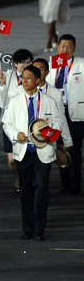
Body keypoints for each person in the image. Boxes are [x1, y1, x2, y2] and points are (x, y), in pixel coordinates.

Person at [3, 65, 72, 241]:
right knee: (26, 189)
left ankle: (40, 228)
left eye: (28, 77)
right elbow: (7, 124)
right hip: (23, 150)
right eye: (23, 77)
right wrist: (14, 134)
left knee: (41, 187)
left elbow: (58, 124)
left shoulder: (49, 101)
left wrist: (46, 133)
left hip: (44, 150)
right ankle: (28, 228)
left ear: (37, 80)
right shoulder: (15, 100)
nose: (24, 81)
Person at [0, 49, 33, 195]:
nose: (26, 64)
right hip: (12, 123)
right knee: (12, 160)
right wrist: (3, 85)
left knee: (29, 156)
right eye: (22, 62)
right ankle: (17, 180)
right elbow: (3, 104)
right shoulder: (8, 76)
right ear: (15, 64)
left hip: (30, 121)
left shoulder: (35, 77)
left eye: (29, 62)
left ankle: (29, 182)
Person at [47, 34, 84, 194]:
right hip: (57, 113)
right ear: (58, 47)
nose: (65, 50)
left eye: (69, 46)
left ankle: (76, 183)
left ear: (74, 48)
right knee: (61, 148)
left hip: (75, 113)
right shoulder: (52, 64)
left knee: (75, 148)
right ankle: (64, 183)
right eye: (62, 46)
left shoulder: (81, 64)